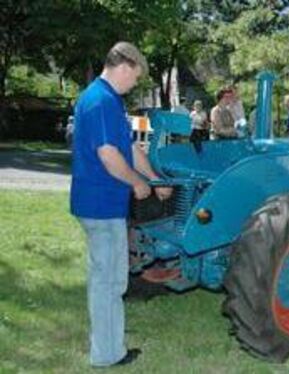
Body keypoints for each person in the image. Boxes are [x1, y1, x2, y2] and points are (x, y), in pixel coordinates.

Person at [70, 41, 172, 367]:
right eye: (135, 77)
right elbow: (110, 156)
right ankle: (107, 355)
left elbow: (128, 148)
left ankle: (109, 347)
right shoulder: (99, 100)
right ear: (124, 65)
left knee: (112, 280)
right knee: (108, 282)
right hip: (100, 205)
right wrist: (137, 183)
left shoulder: (109, 100)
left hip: (105, 204)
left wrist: (155, 179)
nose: (134, 84)